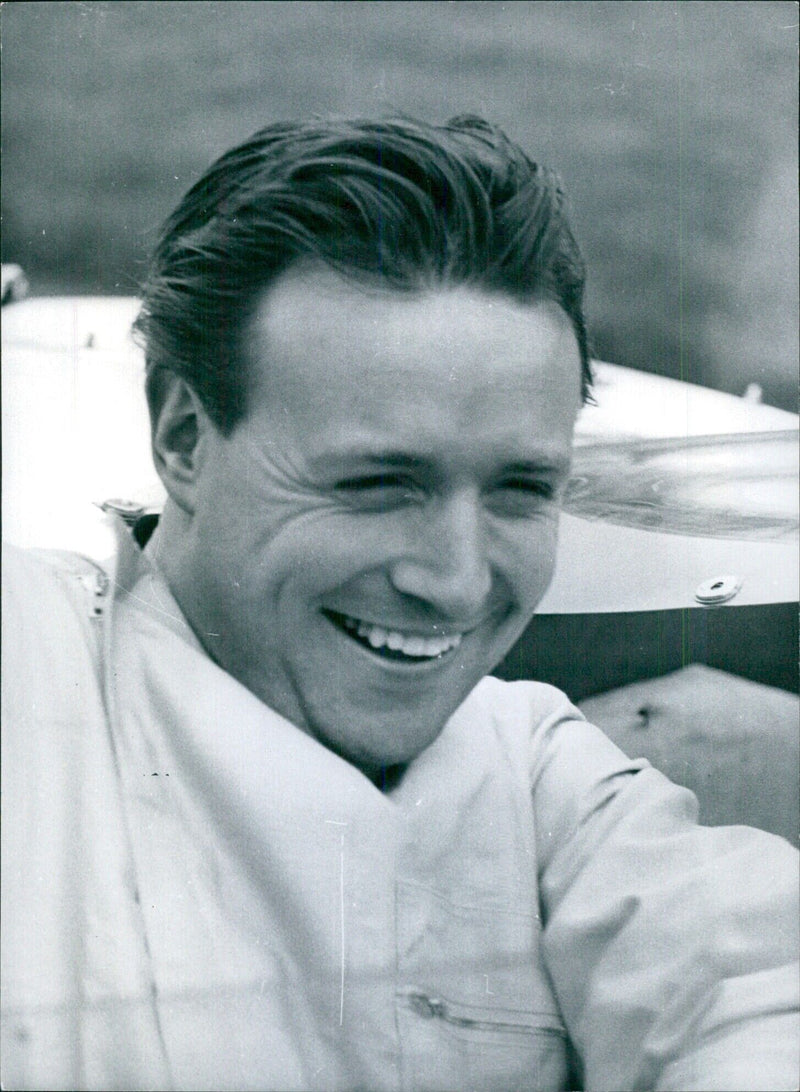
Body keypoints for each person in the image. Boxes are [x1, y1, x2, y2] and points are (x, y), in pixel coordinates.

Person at [2, 116, 797, 1092]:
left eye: (518, 490)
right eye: (378, 484)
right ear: (180, 436)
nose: (457, 582)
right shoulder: (31, 664)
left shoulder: (538, 775)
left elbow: (755, 988)